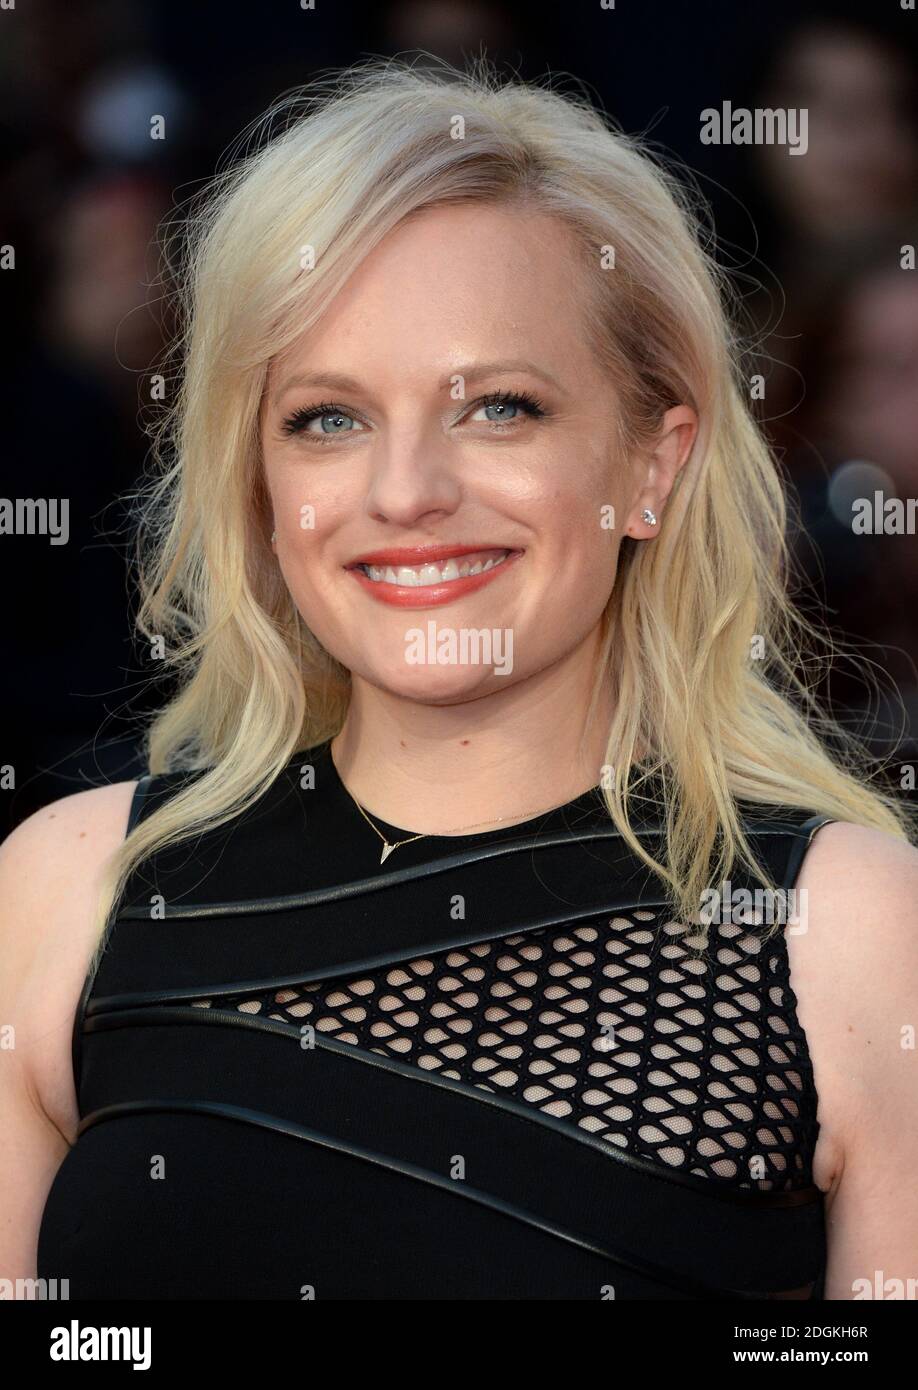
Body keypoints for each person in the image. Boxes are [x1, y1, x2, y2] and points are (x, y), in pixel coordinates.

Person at [1, 56, 916, 1302]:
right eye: (328, 417)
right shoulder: (66, 895)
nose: (406, 493)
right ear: (260, 485)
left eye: (497, 407)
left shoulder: (851, 928)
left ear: (655, 460)